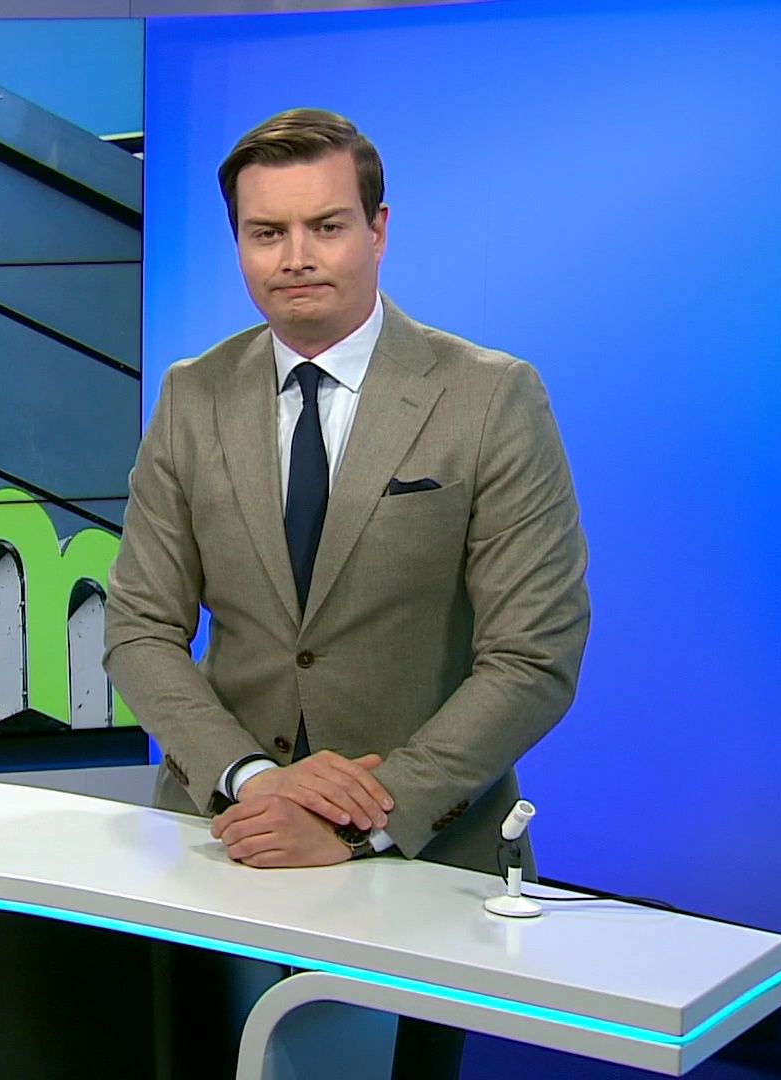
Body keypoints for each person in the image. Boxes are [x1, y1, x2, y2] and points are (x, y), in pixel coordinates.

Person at [103, 108, 589, 1078]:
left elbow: (533, 657)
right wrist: (253, 779)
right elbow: (140, 629)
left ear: (378, 229)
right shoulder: (193, 395)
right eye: (266, 232)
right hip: (225, 843)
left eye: (325, 226)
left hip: (421, 859)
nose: (295, 257)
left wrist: (361, 814)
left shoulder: (490, 396)